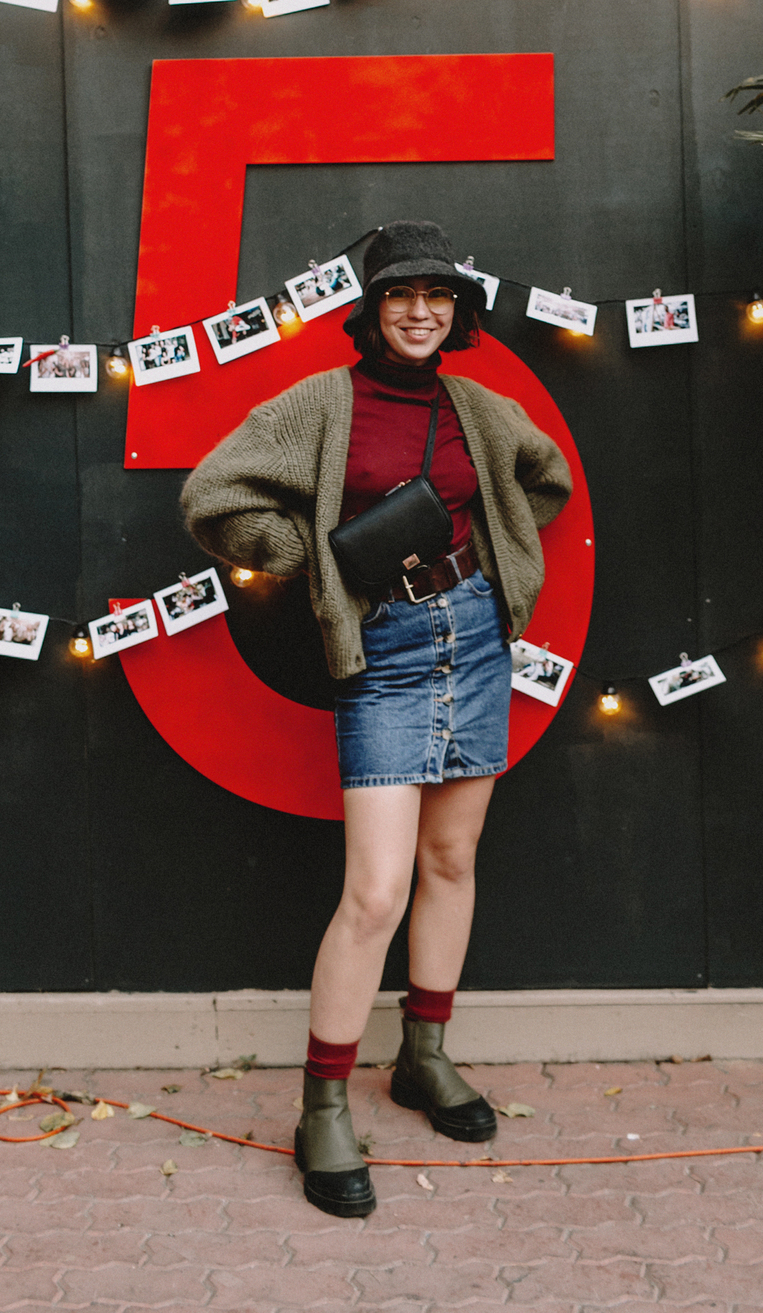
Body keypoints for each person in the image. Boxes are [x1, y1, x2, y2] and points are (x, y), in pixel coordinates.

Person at [181, 221, 572, 1219]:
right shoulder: (322, 403)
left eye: (438, 296)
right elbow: (213, 495)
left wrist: (497, 549)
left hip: (476, 640)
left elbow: (546, 480)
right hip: (385, 651)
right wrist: (312, 558)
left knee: (451, 861)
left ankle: (423, 1058)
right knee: (374, 891)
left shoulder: (478, 408)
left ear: (457, 312)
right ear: (371, 309)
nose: (420, 311)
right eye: (402, 294)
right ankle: (321, 1107)